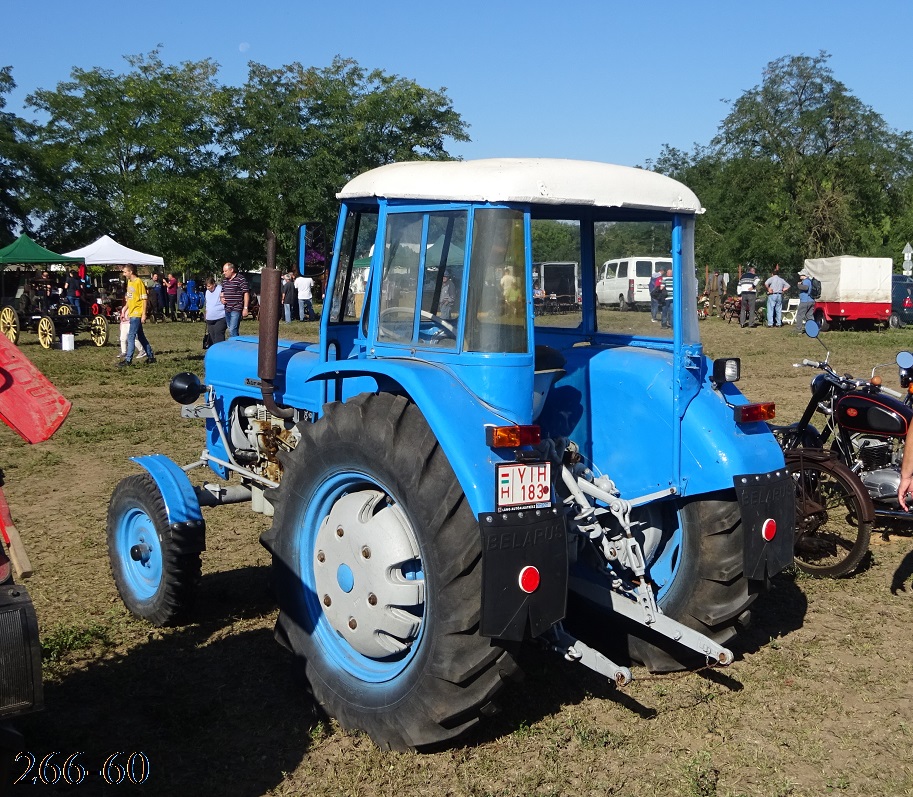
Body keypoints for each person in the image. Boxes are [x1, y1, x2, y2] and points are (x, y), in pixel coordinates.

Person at [117, 264, 156, 367]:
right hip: (131, 312)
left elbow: (144, 299)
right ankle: (151, 356)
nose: (124, 274)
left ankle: (128, 360)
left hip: (137, 313)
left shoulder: (139, 282)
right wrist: (125, 309)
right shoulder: (129, 282)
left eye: (125, 272)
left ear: (131, 272)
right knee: (141, 336)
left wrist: (143, 314)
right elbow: (129, 298)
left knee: (131, 336)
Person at [220, 262, 250, 337]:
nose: (224, 273)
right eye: (223, 271)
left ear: (231, 270)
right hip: (227, 308)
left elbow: (246, 293)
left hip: (236, 308)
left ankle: (234, 345)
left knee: (233, 329)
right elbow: (222, 292)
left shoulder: (240, 279)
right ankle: (235, 342)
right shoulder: (225, 280)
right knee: (230, 328)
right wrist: (222, 299)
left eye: (225, 271)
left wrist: (245, 308)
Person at [204, 276, 227, 344]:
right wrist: (206, 314)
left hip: (220, 317)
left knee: (218, 335)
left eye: (209, 286)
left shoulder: (220, 289)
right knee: (212, 336)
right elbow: (207, 304)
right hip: (210, 318)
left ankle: (220, 351)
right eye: (207, 286)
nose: (208, 288)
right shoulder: (207, 292)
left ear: (213, 284)